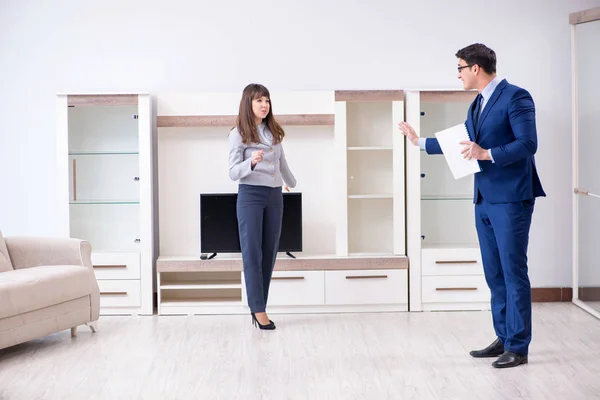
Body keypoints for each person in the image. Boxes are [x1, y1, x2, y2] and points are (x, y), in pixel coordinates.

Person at [399, 43, 545, 368]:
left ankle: (518, 347)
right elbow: (462, 141)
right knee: (494, 273)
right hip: (484, 198)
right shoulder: (477, 103)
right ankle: (504, 337)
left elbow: (528, 143)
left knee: (513, 271)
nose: (459, 75)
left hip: (511, 198)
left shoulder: (516, 96)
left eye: (460, 68)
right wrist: (418, 141)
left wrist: (487, 154)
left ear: (475, 68)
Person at [228, 83, 297, 330]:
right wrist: (252, 163)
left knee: (269, 253)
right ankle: (259, 310)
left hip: (275, 196)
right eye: (259, 100)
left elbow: (282, 163)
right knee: (252, 255)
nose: (264, 104)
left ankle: (259, 307)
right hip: (251, 196)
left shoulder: (274, 132)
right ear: (248, 103)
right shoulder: (238, 133)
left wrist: (291, 182)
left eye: (267, 100)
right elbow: (233, 172)